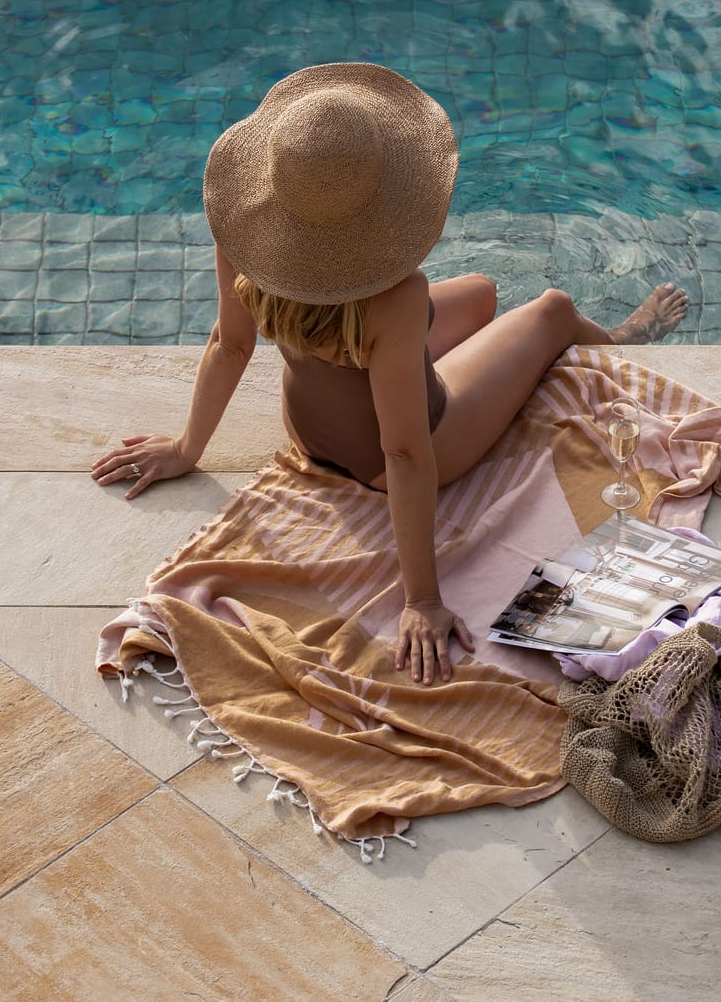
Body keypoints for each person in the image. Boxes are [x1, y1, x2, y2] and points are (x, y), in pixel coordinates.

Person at [89, 63, 689, 686]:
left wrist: (189, 448)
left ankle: (438, 359)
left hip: (310, 432)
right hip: (399, 451)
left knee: (481, 294)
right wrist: (421, 599)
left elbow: (229, 345)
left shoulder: (245, 238)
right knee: (551, 309)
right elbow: (405, 453)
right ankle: (623, 337)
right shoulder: (397, 297)